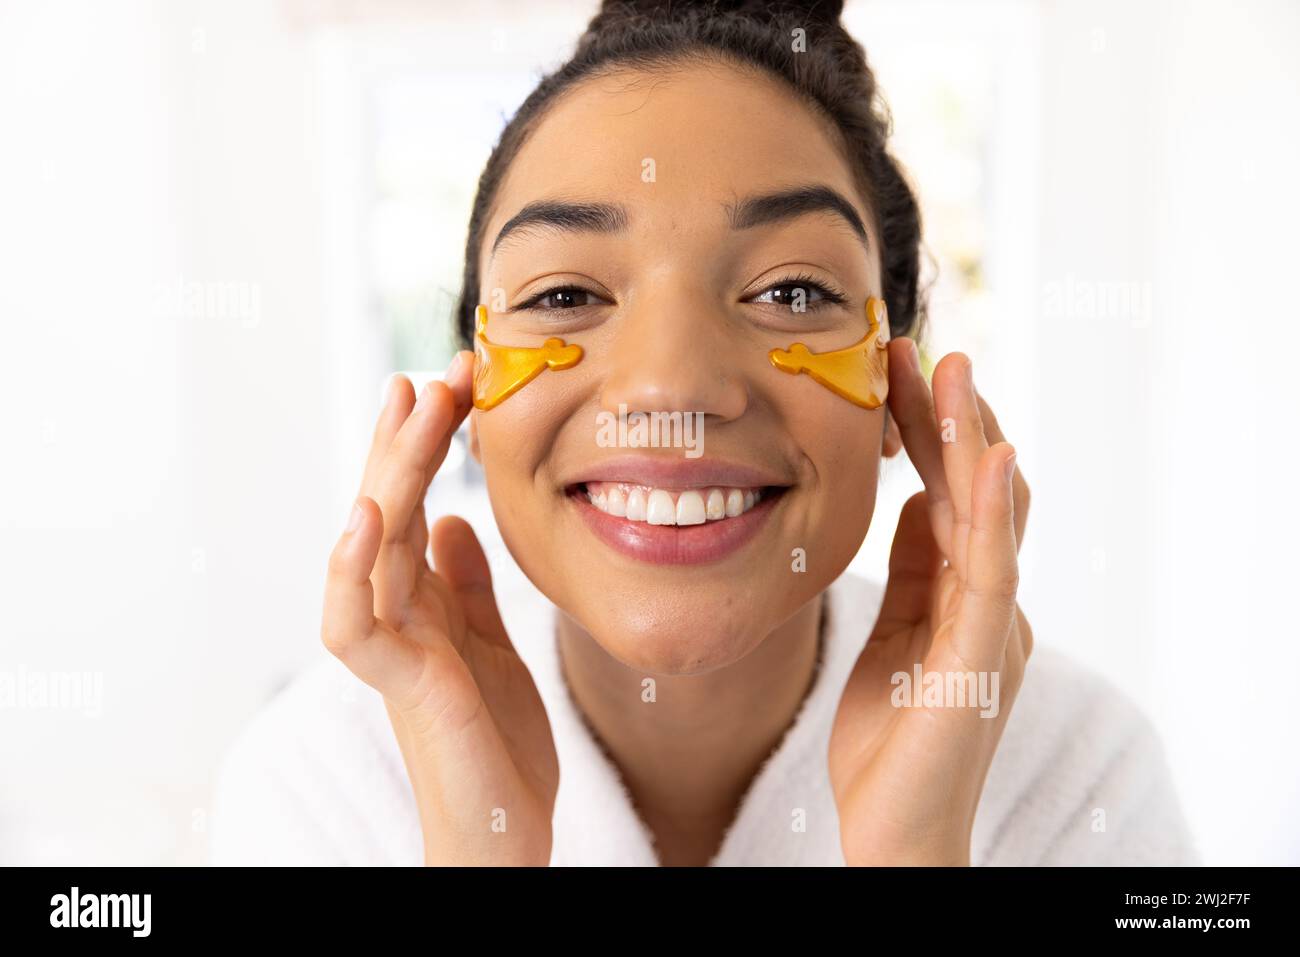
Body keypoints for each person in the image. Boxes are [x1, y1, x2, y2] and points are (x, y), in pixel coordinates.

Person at [211, 0, 1198, 866]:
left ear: (897, 388)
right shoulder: (318, 785)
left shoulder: (1078, 770)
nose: (669, 386)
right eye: (564, 292)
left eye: (791, 290)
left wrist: (911, 855)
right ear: (468, 403)